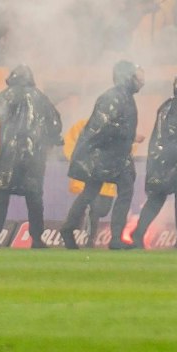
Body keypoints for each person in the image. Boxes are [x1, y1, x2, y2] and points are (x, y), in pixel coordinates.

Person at [62, 60, 143, 249]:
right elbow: (103, 127)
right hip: (106, 156)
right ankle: (115, 238)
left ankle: (69, 229)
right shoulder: (115, 97)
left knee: (91, 192)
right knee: (123, 190)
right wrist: (131, 135)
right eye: (137, 76)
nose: (140, 81)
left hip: (108, 155)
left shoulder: (119, 96)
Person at [0, 66, 61, 248]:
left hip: (9, 154)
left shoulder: (7, 94)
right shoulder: (41, 98)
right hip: (35, 156)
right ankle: (37, 239)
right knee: (34, 198)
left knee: (1, 196)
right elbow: (55, 124)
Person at [132, 72, 177, 249]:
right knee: (174, 198)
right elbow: (172, 137)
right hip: (170, 160)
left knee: (175, 198)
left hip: (170, 160)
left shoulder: (176, 106)